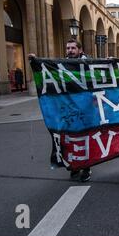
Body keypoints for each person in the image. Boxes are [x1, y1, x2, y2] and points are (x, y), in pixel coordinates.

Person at [28, 39, 92, 182]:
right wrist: (35, 60)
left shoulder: (88, 64)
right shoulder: (62, 64)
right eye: (68, 48)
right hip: (68, 108)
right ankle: (74, 166)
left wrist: (110, 62)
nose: (70, 50)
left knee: (85, 137)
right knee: (70, 137)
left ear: (80, 50)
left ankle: (86, 168)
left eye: (73, 48)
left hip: (85, 107)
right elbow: (47, 67)